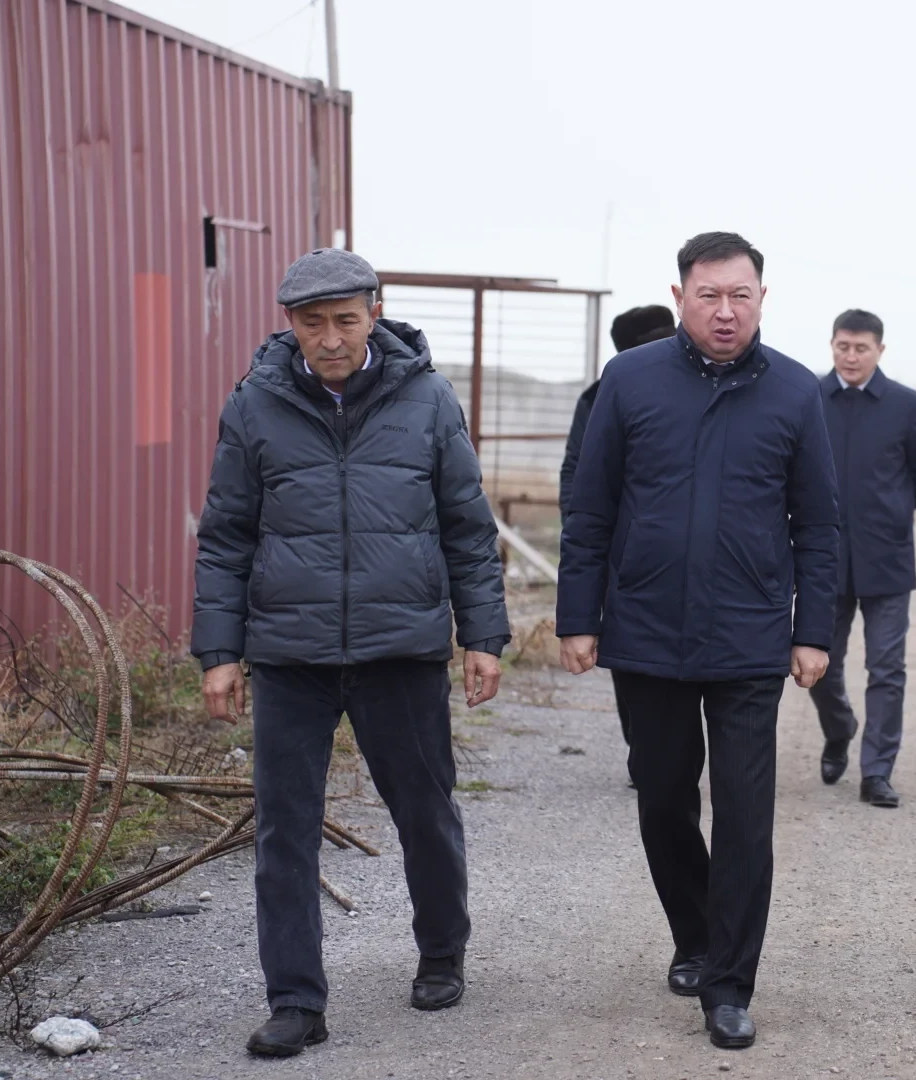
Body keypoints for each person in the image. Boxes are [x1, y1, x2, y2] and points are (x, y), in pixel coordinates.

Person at [191, 248, 509, 1057]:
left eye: (344, 320)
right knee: (284, 832)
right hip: (290, 655)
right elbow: (225, 537)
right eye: (312, 323)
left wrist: (483, 637)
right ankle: (297, 1001)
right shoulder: (255, 405)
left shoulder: (428, 400)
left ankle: (441, 952)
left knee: (425, 814)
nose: (329, 339)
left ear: (374, 312)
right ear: (289, 324)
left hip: (399, 651)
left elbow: (468, 530)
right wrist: (220, 651)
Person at [556, 232, 840, 1050]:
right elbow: (592, 505)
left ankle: (729, 982)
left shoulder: (795, 390)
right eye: (709, 295)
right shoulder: (630, 380)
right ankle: (695, 934)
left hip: (750, 633)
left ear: (762, 299)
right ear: (680, 296)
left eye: (739, 295)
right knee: (662, 797)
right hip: (647, 628)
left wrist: (812, 632)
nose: (725, 311)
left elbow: (820, 525)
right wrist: (578, 616)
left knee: (746, 815)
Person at [808, 308, 916, 807]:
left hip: (886, 557)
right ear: (832, 345)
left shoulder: (905, 404)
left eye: (860, 348)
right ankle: (839, 726)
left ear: (879, 350)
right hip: (824, 558)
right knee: (819, 664)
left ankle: (877, 771)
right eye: (842, 346)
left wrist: (892, 509)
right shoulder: (808, 398)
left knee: (887, 668)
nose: (850, 356)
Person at [560, 304, 677, 771]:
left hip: (678, 550)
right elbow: (576, 476)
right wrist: (587, 537)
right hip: (621, 554)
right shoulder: (598, 399)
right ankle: (644, 753)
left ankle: (669, 754)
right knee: (630, 657)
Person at [560, 305, 679, 530]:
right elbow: (577, 476)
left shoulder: (699, 391)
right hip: (622, 539)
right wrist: (577, 532)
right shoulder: (596, 400)